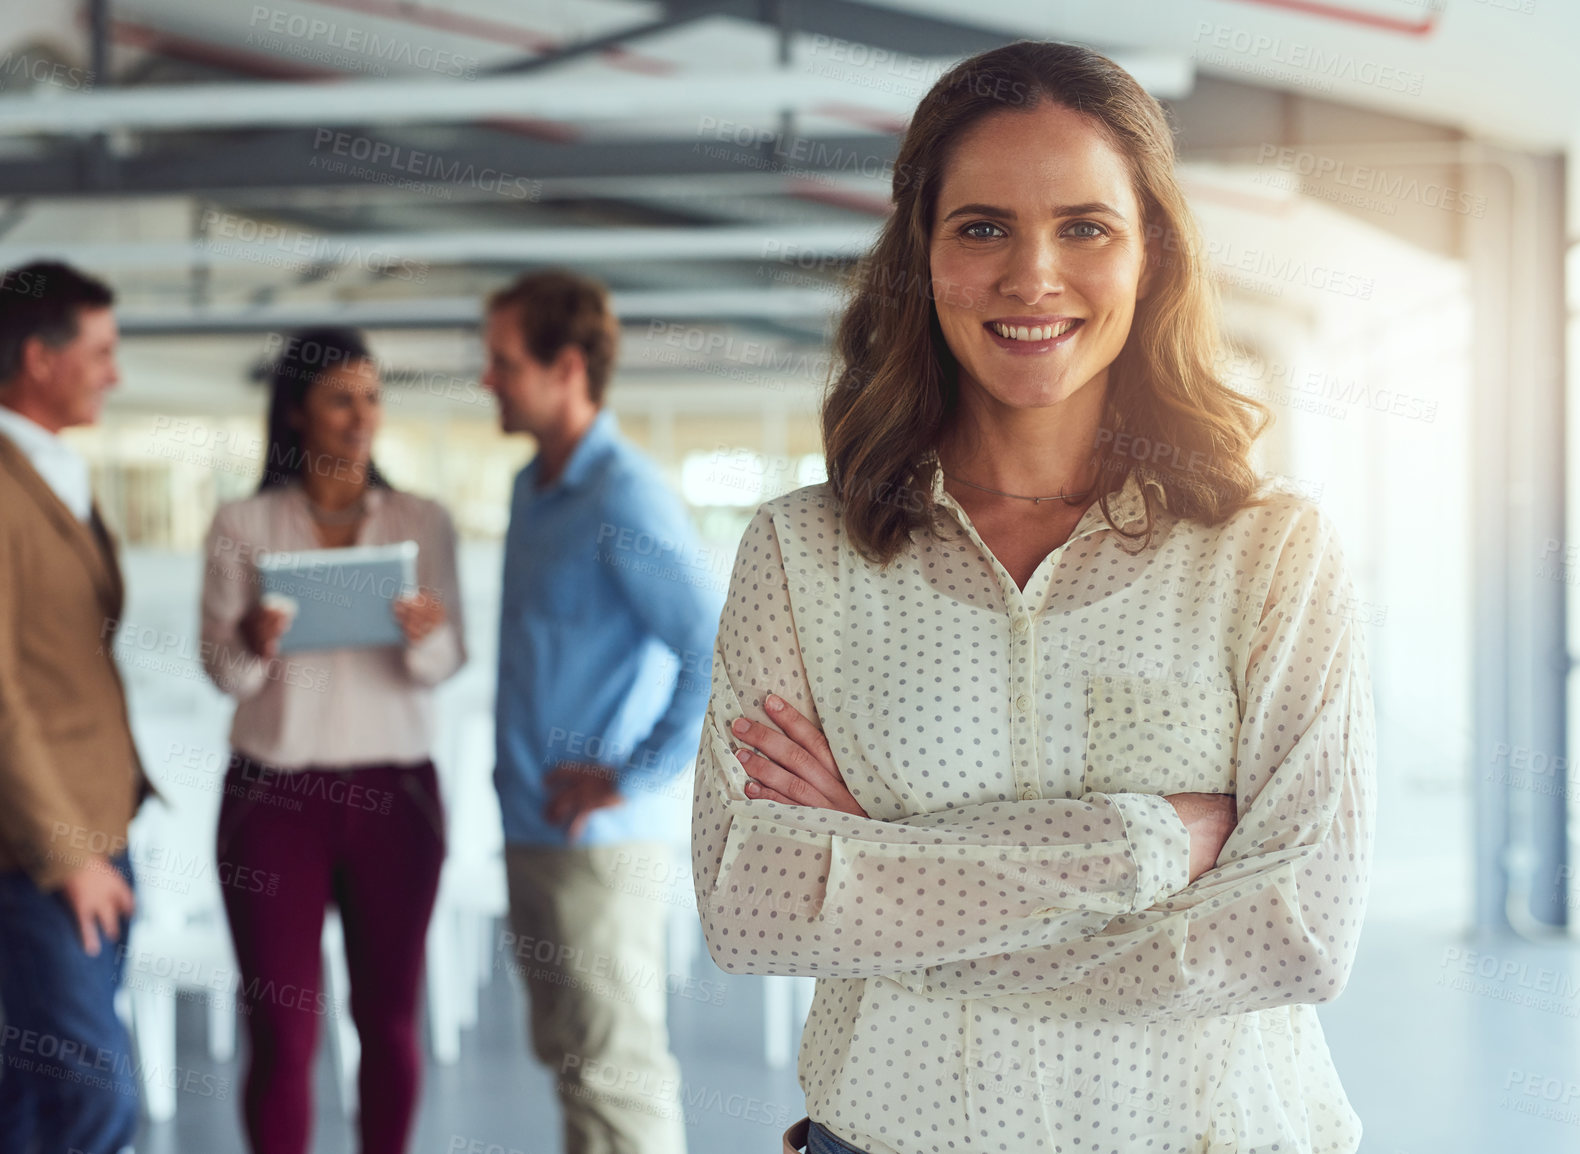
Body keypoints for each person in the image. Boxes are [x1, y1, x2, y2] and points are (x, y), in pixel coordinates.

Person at [692, 41, 1377, 1154]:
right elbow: (749, 901)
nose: (1031, 276)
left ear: (1151, 253)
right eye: (981, 227)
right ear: (920, 252)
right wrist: (1145, 844)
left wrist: (880, 871)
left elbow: (1292, 932)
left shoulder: (1269, 552)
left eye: (1084, 227)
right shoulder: (801, 552)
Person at [0, 260, 156, 1154]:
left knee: (42, 1085)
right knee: (98, 1099)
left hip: (95, 824)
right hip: (29, 850)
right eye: (102, 352)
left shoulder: (47, 470)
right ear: (39, 359)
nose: (115, 373)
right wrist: (67, 854)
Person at [198, 326, 465, 1154]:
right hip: (273, 799)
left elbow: (448, 660)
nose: (362, 417)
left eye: (373, 397)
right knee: (282, 1032)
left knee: (387, 1020)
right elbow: (224, 673)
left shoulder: (423, 520)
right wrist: (249, 638)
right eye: (341, 398)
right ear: (297, 412)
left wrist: (423, 632)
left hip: (397, 798)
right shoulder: (243, 523)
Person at [480, 270, 722, 1154]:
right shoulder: (532, 489)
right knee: (573, 1064)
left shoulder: (623, 495)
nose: (487, 380)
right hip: (530, 828)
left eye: (503, 363)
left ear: (567, 366)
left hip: (599, 849)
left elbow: (715, 648)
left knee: (617, 1076)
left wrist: (631, 776)